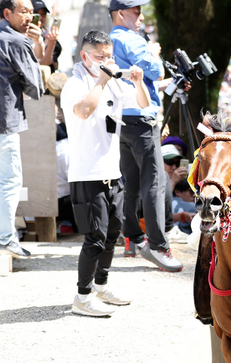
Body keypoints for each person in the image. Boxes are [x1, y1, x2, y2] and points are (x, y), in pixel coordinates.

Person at [61, 30, 149, 316]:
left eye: (109, 56)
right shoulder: (74, 84)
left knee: (112, 234)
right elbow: (83, 111)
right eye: (100, 56)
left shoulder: (111, 83)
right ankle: (82, 297)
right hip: (87, 173)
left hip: (113, 170)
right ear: (85, 56)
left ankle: (101, 285)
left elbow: (143, 103)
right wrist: (102, 78)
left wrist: (138, 82)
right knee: (94, 238)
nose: (107, 61)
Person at [109, 0, 183, 272]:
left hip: (120, 116)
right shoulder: (132, 40)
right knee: (153, 182)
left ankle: (133, 238)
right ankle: (158, 245)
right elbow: (156, 71)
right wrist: (152, 52)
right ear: (121, 13)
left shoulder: (108, 41)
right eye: (135, 11)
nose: (140, 17)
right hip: (142, 117)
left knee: (130, 181)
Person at [0, 0, 44, 258]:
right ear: (7, 13)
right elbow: (36, 88)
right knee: (9, 181)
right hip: (2, 121)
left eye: (31, 11)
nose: (29, 16)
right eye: (24, 11)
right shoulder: (17, 41)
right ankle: (4, 240)